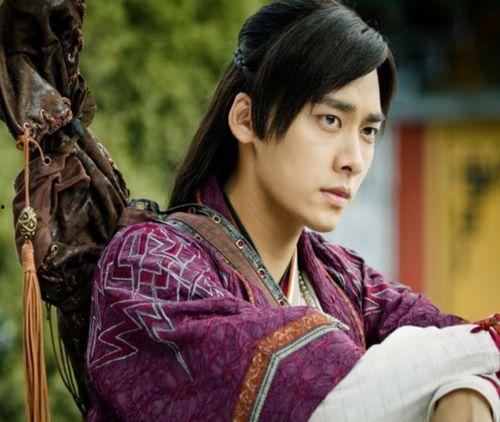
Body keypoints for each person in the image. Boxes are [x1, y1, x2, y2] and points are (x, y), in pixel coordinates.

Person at [83, 1, 499, 421]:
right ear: (247, 119)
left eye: (369, 130)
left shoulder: (346, 281)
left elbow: (454, 343)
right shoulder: (145, 267)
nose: (353, 160)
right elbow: (322, 397)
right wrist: (484, 349)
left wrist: (468, 392)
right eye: (330, 120)